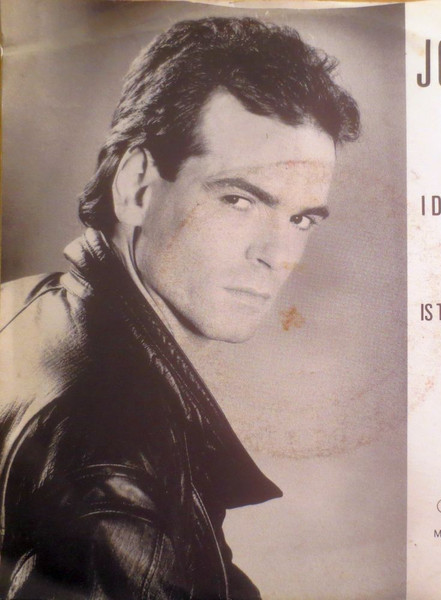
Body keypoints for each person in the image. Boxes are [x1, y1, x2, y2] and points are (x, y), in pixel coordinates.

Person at [0, 17, 359, 600]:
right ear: (137, 186)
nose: (277, 256)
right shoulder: (115, 465)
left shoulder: (21, 303)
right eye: (238, 199)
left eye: (300, 219)